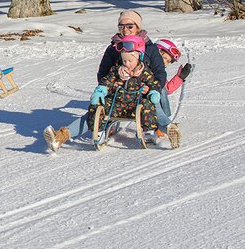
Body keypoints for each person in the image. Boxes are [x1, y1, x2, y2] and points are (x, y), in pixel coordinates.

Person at [43, 11, 165, 152]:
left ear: (138, 27)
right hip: (117, 96)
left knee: (153, 106)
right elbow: (103, 73)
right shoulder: (113, 48)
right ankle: (61, 136)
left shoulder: (150, 48)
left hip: (143, 97)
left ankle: (164, 128)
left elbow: (160, 73)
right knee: (94, 112)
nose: (125, 30)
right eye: (121, 26)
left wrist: (151, 90)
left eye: (130, 26)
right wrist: (109, 86)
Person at [146, 39, 194, 148]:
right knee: (159, 91)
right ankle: (167, 125)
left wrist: (180, 78)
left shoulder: (160, 73)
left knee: (162, 89)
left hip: (153, 103)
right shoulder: (143, 66)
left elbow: (167, 89)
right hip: (141, 99)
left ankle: (166, 127)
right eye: (164, 58)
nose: (165, 63)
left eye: (168, 61)